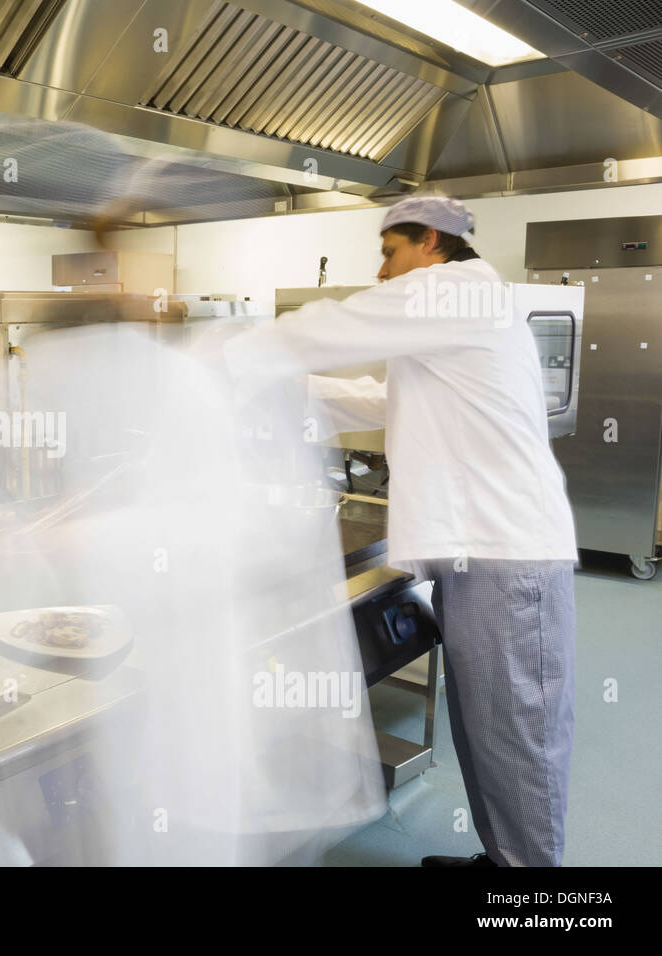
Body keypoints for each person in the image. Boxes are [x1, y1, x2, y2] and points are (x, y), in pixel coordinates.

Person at [222, 196, 577, 867]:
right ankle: (503, 861)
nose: (383, 272)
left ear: (432, 243)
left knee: (518, 734)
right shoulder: (463, 307)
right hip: (483, 557)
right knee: (487, 727)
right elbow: (390, 401)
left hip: (507, 557)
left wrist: (219, 354)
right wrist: (303, 387)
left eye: (390, 252)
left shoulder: (454, 290)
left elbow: (331, 326)